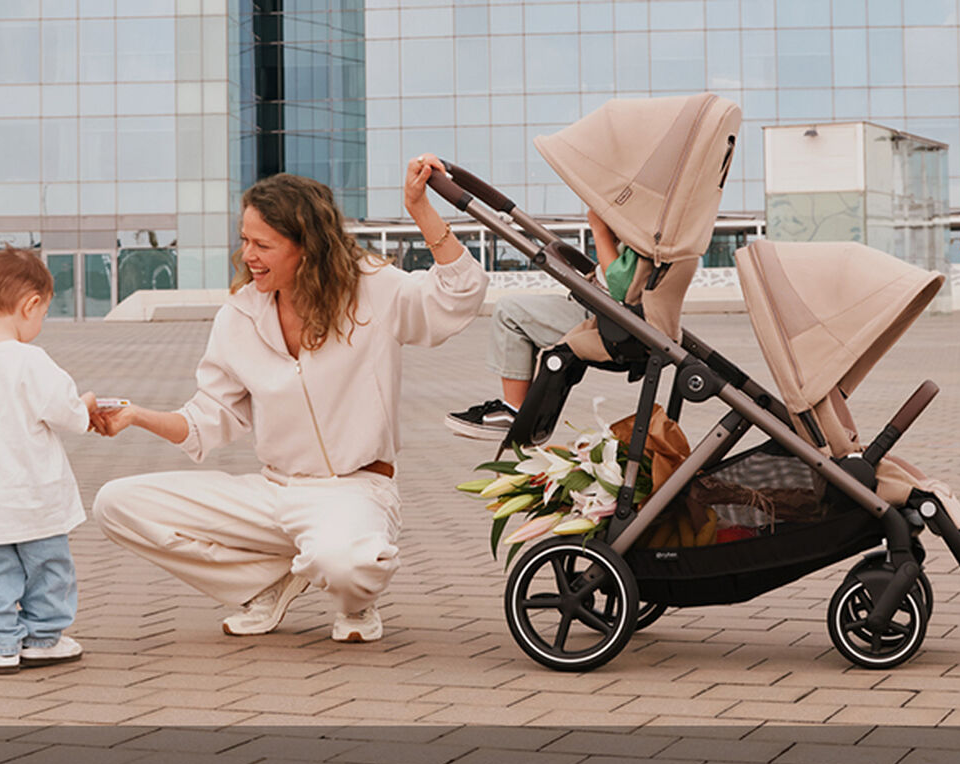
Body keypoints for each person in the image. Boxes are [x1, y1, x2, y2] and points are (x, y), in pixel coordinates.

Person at [90, 158, 488, 643]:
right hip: (275, 492)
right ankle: (267, 583)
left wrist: (418, 207)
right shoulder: (240, 316)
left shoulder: (372, 288)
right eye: (245, 240)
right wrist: (135, 416)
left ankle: (355, 603)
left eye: (263, 245)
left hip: (355, 489)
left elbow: (459, 295)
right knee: (117, 504)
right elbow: (206, 419)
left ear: (307, 247)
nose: (248, 256)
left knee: (343, 564)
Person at [0, 248, 96, 675]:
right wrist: (85, 404)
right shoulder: (30, 360)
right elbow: (67, 414)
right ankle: (43, 637)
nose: (40, 322)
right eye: (43, 313)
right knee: (48, 569)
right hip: (33, 497)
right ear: (31, 304)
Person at [443, 208, 623, 440]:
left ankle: (513, 409)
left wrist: (599, 230)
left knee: (509, 312)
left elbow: (620, 285)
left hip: (607, 319)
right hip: (600, 307)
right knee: (524, 310)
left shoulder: (641, 234)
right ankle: (518, 407)